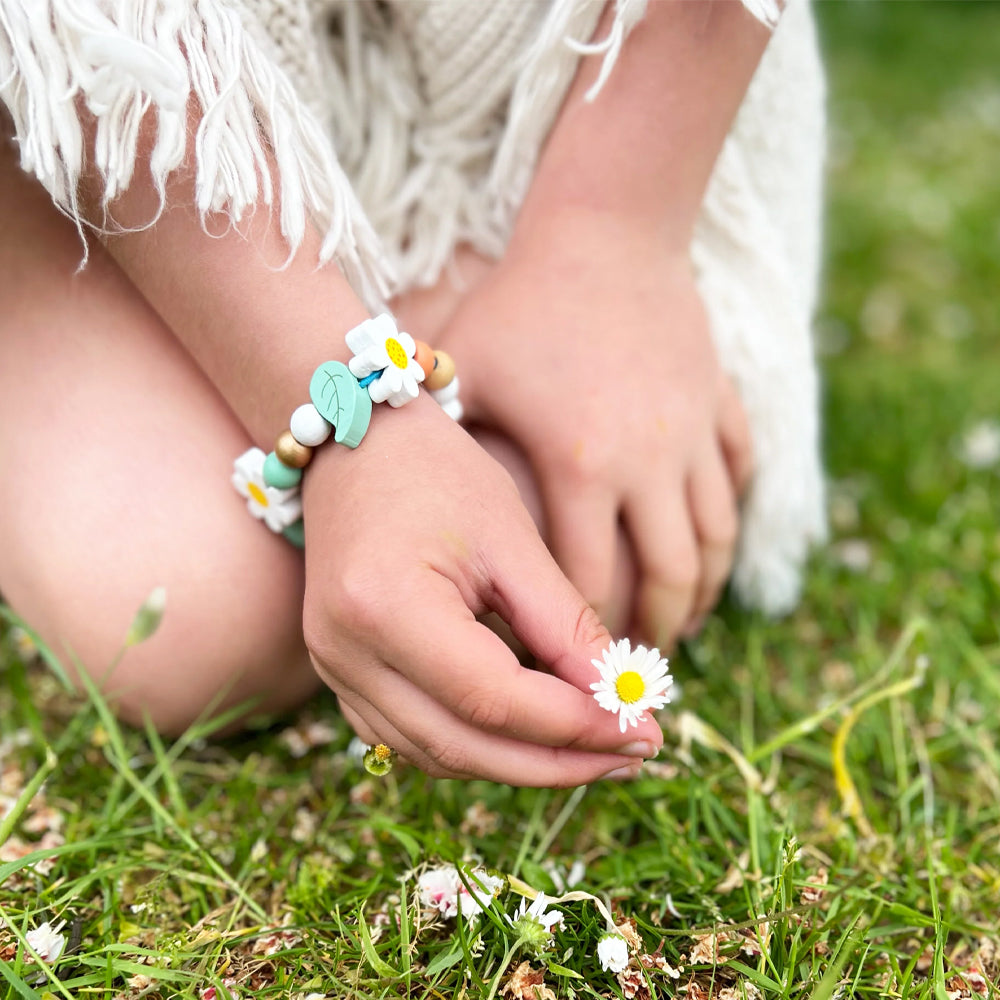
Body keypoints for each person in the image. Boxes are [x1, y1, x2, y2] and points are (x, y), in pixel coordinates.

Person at [0, 0, 827, 786]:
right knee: (182, 611)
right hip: (129, 113)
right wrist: (357, 433)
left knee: (584, 518)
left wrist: (612, 234)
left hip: (566, 83)